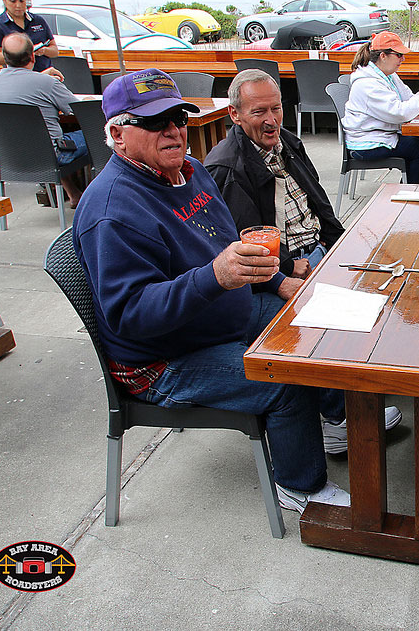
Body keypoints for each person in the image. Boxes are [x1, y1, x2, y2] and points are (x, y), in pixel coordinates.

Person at [74, 68, 351, 512]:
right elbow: (131, 315)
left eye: (178, 118)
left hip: (221, 316)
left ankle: (334, 423)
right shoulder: (113, 209)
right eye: (153, 122)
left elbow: (230, 246)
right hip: (163, 359)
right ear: (117, 134)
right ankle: (301, 487)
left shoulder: (192, 172)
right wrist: (214, 278)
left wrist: (281, 283)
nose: (173, 130)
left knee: (315, 323)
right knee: (283, 375)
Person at [205, 69, 403, 450]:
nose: (271, 120)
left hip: (314, 251)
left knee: (386, 280)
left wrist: (344, 244)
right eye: (258, 111)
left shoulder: (287, 143)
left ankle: (361, 389)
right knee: (326, 317)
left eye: (276, 108)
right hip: (278, 272)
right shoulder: (228, 168)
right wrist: (283, 273)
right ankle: (336, 417)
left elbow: (320, 204)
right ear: (235, 115)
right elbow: (241, 248)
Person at [0, 33, 88, 206]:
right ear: (33, 55)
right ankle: (101, 197)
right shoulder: (47, 83)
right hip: (53, 156)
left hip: (9, 157)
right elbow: (79, 111)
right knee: (98, 135)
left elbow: (21, 86)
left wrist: (41, 77)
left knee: (44, 139)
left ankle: (74, 193)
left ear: (4, 57)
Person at [343, 31, 419, 184]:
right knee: (418, 147)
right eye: (399, 55)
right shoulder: (367, 84)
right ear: (383, 56)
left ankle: (411, 190)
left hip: (380, 134)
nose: (403, 59)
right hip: (365, 143)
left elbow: (408, 99)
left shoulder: (388, 75)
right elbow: (400, 113)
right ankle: (415, 195)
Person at [0, 0, 58, 73]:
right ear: (4, 0)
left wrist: (44, 50)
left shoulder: (38, 21)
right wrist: (21, 54)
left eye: (22, 0)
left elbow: (55, 51)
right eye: (13, 1)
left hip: (44, 75)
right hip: (17, 77)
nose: (18, 5)